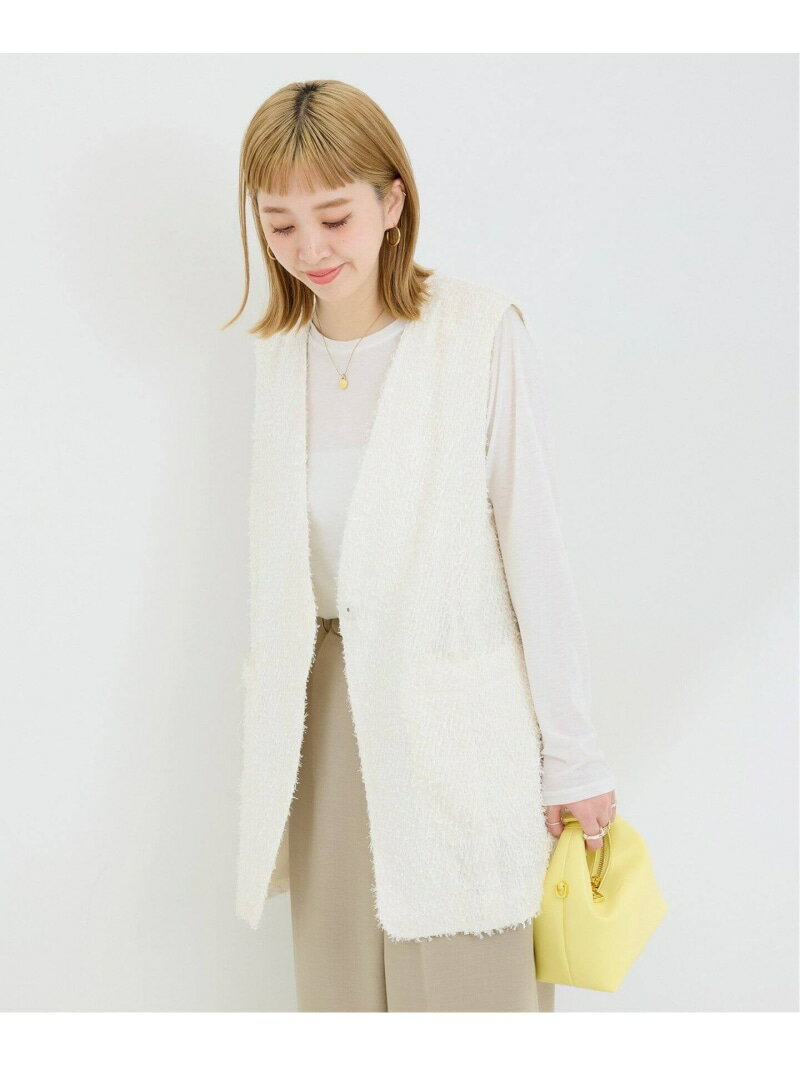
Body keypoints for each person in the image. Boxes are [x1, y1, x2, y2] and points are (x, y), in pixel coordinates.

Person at [223, 79, 617, 1012]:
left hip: (456, 719)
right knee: (344, 999)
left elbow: (536, 553)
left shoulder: (478, 332)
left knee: (472, 992)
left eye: (335, 216)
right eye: (280, 225)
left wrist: (574, 757)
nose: (310, 250)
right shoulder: (278, 358)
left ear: (392, 202)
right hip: (320, 720)